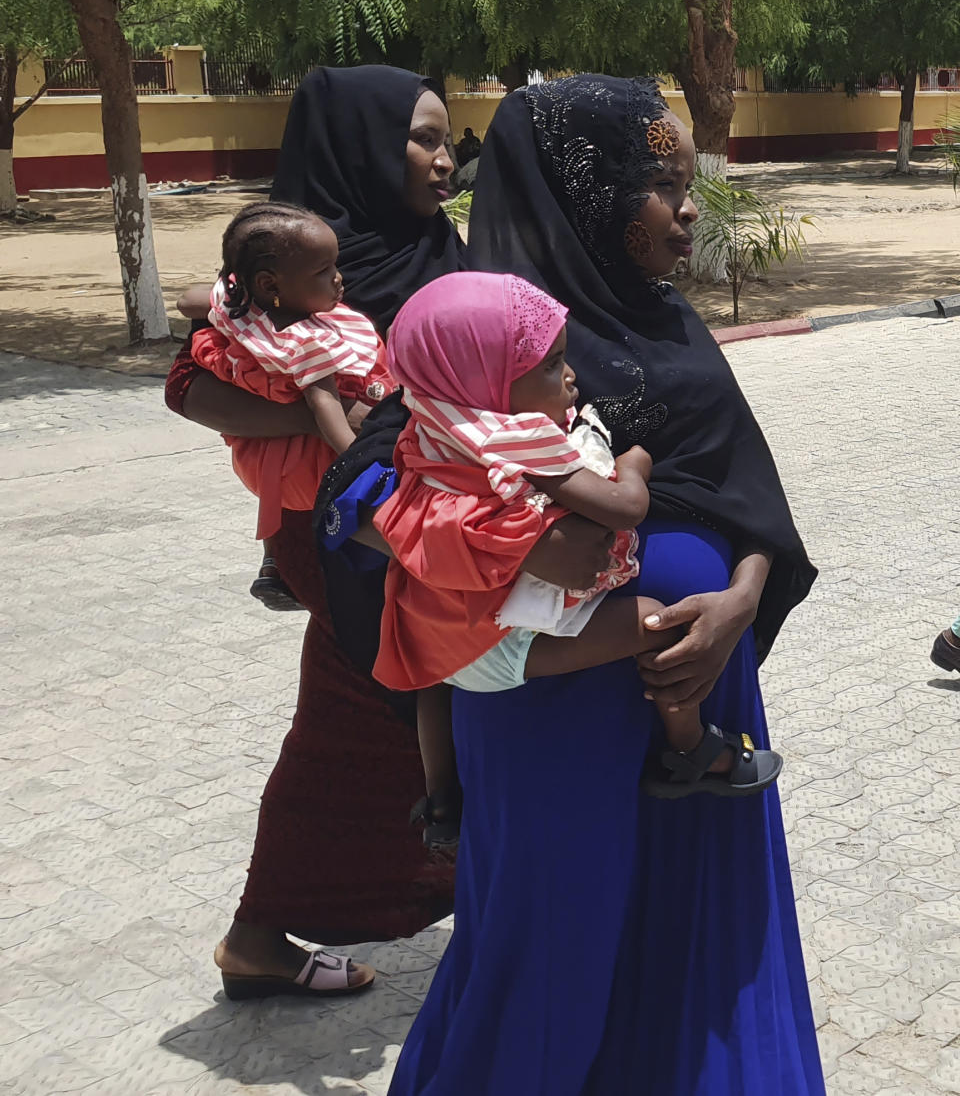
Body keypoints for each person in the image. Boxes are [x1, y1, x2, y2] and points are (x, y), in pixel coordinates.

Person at [386, 75, 824, 1094]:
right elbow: (370, 486)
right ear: (586, 195)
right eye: (659, 185)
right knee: (545, 960)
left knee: (696, 945)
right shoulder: (477, 334)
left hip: (701, 684)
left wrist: (741, 602)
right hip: (549, 711)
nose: (687, 209)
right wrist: (504, 545)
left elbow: (743, 493)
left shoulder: (669, 322)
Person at [166, 65, 472, 998]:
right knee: (369, 710)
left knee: (387, 713)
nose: (443, 156)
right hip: (338, 530)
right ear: (366, 147)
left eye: (446, 137)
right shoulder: (300, 269)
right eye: (422, 137)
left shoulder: (428, 245)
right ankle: (262, 932)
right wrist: (325, 413)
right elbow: (191, 388)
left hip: (410, 521)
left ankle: (283, 926)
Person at [375, 269, 783, 806]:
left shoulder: (434, 419)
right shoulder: (522, 439)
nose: (571, 376)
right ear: (487, 379)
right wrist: (633, 464)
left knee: (438, 689)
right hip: (506, 645)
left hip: (440, 651)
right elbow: (624, 509)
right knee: (658, 625)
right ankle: (694, 749)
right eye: (549, 365)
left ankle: (443, 801)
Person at [189, 201, 395, 610]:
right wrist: (362, 460)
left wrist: (226, 299)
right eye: (323, 271)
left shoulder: (245, 312)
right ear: (270, 285)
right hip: (310, 468)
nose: (339, 279)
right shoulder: (308, 343)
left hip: (272, 473)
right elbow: (326, 411)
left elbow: (188, 301)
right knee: (377, 529)